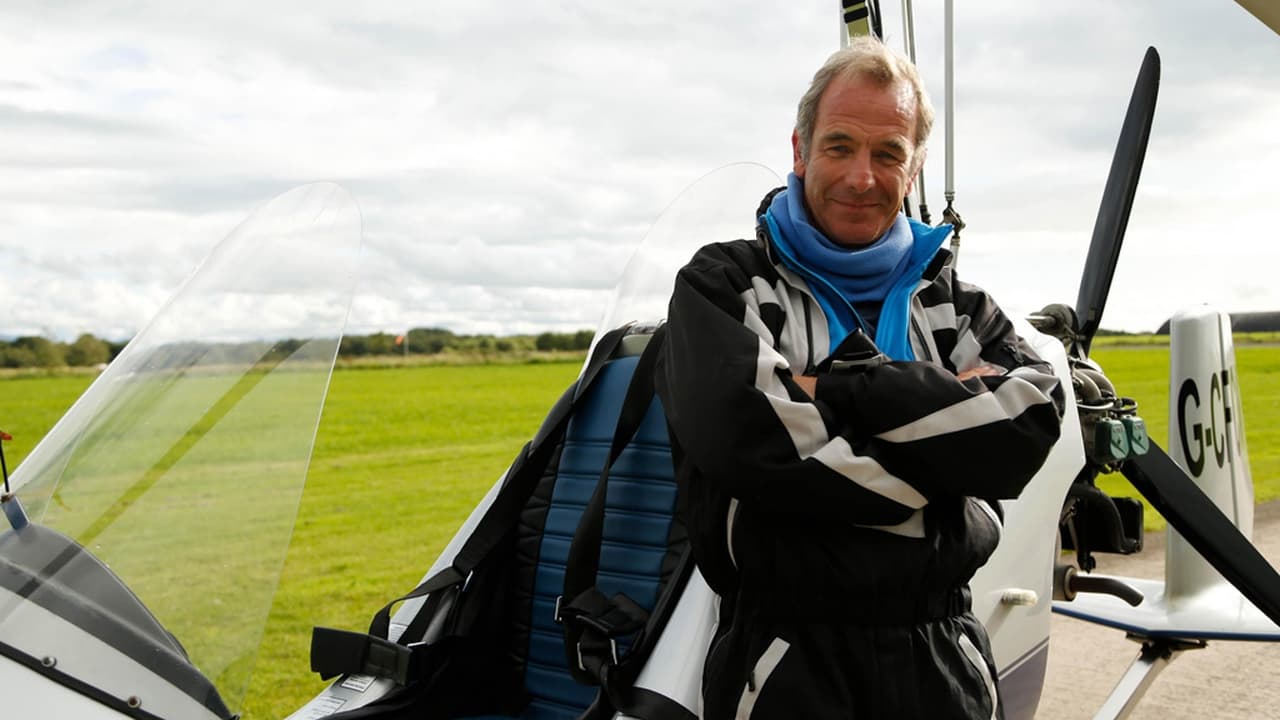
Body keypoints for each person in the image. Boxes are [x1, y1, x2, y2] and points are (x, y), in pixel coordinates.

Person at [654, 37, 1064, 719]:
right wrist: (948, 472)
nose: (861, 177)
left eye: (888, 154)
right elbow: (749, 442)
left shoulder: (960, 307)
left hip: (946, 657)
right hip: (784, 659)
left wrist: (840, 387)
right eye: (839, 146)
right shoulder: (721, 285)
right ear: (799, 149)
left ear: (915, 166)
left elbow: (1025, 427)